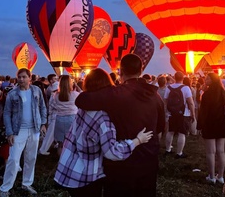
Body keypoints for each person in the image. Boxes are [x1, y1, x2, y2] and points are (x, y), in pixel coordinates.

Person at [75, 54, 165, 197]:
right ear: (141, 71)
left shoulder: (115, 94)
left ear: (120, 72)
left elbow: (81, 100)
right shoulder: (156, 96)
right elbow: (160, 128)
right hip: (148, 160)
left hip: (121, 163)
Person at [54, 68, 153, 197]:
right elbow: (112, 152)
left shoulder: (83, 109)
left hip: (68, 170)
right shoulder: (102, 118)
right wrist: (137, 140)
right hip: (86, 177)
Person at [0, 68, 47, 197]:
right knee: (13, 159)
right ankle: (5, 188)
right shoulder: (12, 94)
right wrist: (9, 132)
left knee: (31, 158)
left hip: (34, 129)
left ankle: (27, 183)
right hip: (17, 131)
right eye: (19, 77)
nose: (21, 79)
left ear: (30, 78)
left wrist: (43, 123)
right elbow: (7, 113)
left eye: (24, 77)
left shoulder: (36, 91)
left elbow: (43, 106)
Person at [197, 73, 225, 184]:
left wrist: (199, 125)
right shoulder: (222, 93)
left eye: (208, 79)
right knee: (221, 151)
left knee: (211, 152)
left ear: (213, 80)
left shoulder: (206, 95)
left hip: (210, 124)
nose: (206, 80)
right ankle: (220, 176)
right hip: (221, 124)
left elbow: (203, 112)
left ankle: (211, 176)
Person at [164, 71, 195, 158]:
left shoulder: (168, 87)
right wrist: (193, 114)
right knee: (182, 133)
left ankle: (167, 150)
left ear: (174, 77)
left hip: (171, 113)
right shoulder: (186, 88)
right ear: (183, 78)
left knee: (170, 132)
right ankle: (179, 153)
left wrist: (166, 112)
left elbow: (165, 101)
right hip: (183, 114)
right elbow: (191, 103)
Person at [49, 75, 79, 156]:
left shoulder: (56, 95)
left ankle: (61, 160)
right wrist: (76, 86)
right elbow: (83, 95)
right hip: (72, 118)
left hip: (59, 119)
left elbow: (53, 105)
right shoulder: (75, 94)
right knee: (72, 142)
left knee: (61, 144)